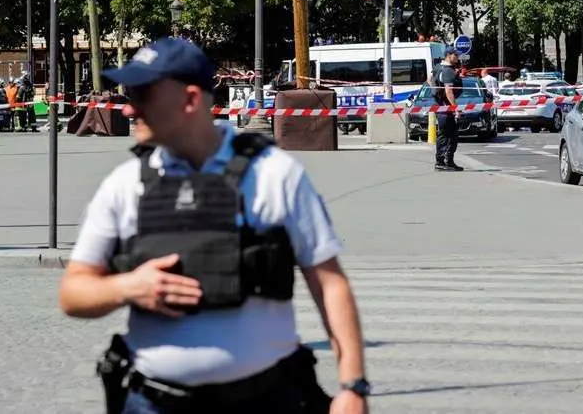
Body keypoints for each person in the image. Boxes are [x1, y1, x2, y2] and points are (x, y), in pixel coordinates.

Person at [58, 38, 370, 414]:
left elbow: (329, 282)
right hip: (153, 402)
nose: (128, 109)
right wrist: (128, 287)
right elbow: (73, 293)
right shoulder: (124, 185)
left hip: (268, 400)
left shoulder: (274, 174)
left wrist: (352, 387)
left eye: (142, 95)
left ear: (190, 100)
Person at [431, 47, 463, 171]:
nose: (457, 57)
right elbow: (449, 91)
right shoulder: (448, 70)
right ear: (449, 55)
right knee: (447, 135)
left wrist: (436, 94)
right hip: (447, 108)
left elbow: (429, 79)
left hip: (442, 105)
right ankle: (444, 162)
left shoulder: (438, 67)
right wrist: (455, 109)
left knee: (448, 134)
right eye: (455, 55)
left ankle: (446, 161)